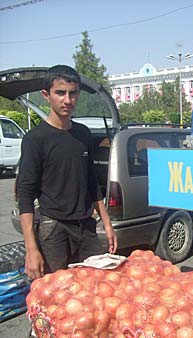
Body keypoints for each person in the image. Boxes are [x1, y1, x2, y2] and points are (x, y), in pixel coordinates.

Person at [17, 65, 118, 280]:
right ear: (46, 95)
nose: (67, 100)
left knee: (96, 285)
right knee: (58, 294)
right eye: (60, 93)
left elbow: (92, 183)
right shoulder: (36, 139)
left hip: (87, 228)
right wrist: (31, 249)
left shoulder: (83, 134)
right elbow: (25, 196)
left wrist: (107, 224)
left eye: (73, 93)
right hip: (54, 229)